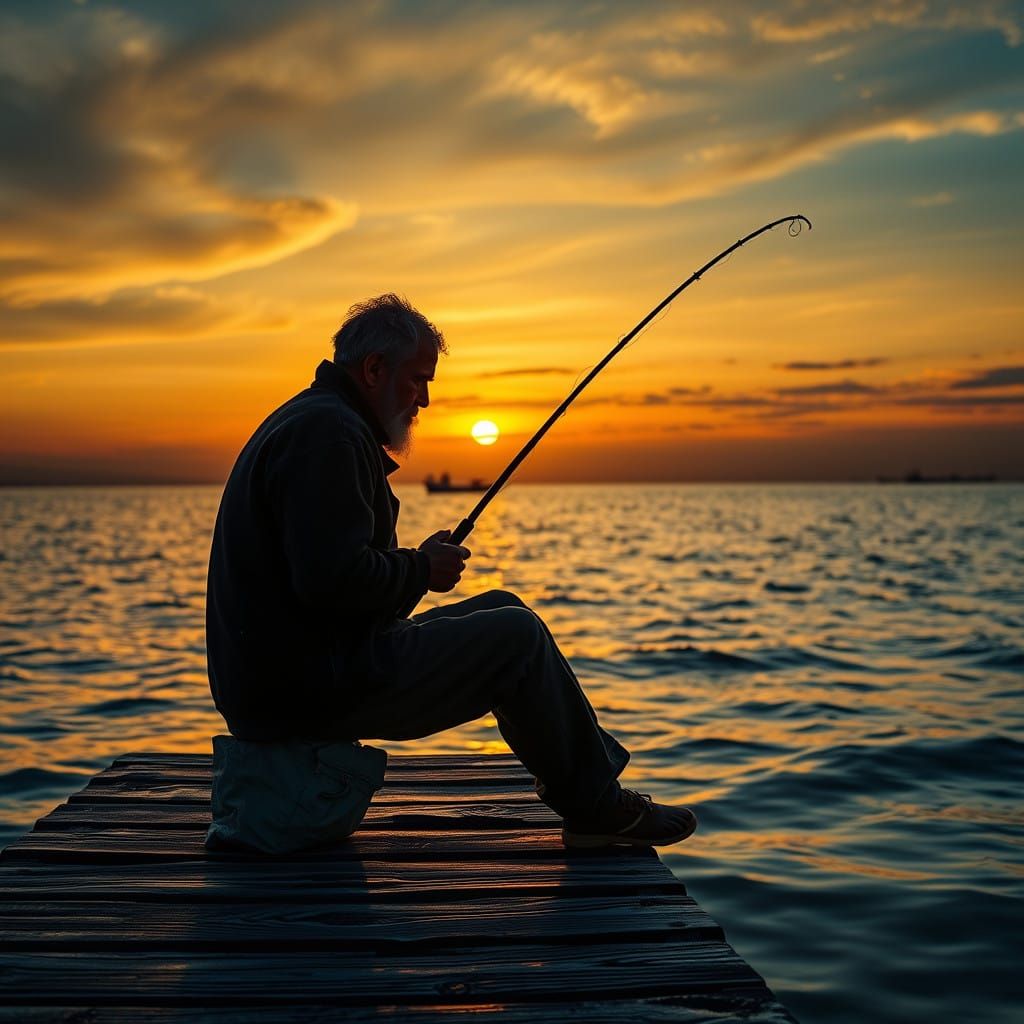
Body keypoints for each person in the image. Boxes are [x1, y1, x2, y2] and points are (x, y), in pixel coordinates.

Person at [206, 293, 696, 848]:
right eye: (417, 380)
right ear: (374, 369)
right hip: (300, 690)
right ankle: (597, 809)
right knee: (515, 638)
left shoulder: (316, 420)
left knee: (504, 608)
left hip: (297, 673)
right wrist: (419, 569)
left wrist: (417, 565)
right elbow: (330, 583)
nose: (425, 399)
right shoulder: (329, 435)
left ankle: (592, 789)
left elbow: (330, 586)